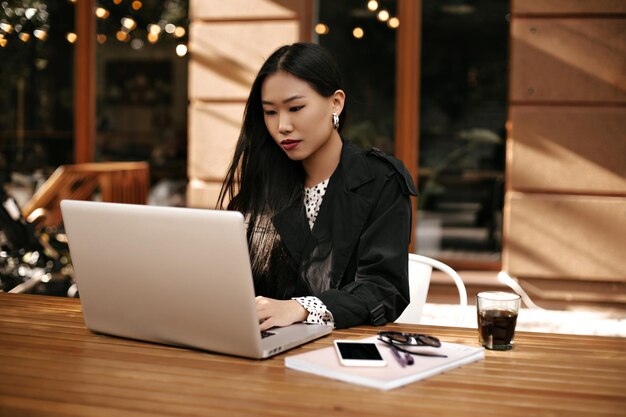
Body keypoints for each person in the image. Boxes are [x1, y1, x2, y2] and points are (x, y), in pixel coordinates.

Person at [218, 42, 417, 330]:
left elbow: (383, 289)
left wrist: (302, 308)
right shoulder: (263, 185)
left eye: (296, 107)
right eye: (270, 112)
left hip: (345, 352)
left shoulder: (380, 181)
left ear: (335, 102)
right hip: (262, 351)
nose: (282, 126)